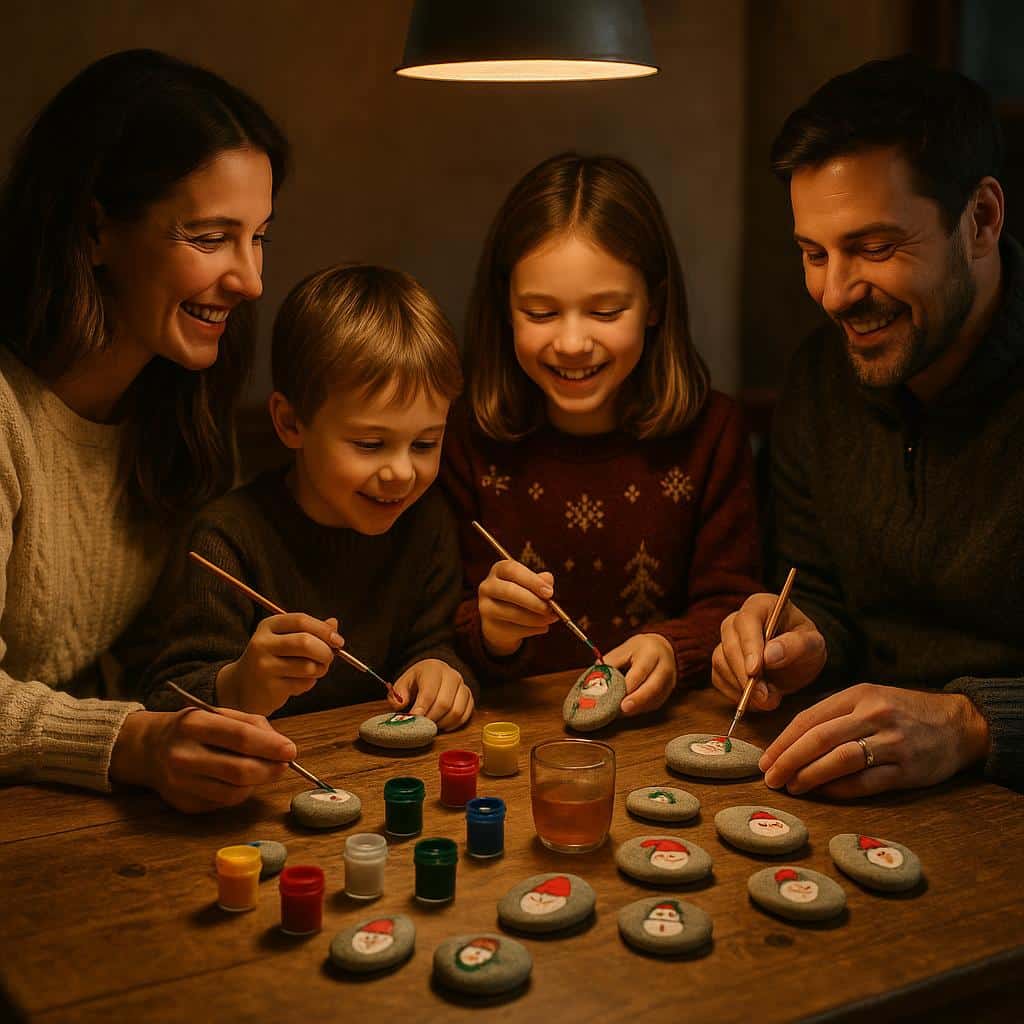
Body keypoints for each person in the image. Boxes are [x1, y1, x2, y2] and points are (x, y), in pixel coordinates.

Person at [712, 56, 1024, 795]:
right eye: (812, 254)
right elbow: (821, 587)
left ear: (980, 219)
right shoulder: (823, 377)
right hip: (864, 793)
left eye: (875, 248)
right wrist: (800, 637)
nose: (833, 294)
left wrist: (970, 724)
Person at [0, 49, 298, 811]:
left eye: (258, 235)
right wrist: (133, 743)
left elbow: (155, 656)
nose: (252, 279)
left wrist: (236, 683)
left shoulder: (182, 405)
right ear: (96, 230)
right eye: (208, 237)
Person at [442, 153, 760, 715]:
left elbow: (735, 606)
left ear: (655, 303)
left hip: (661, 732)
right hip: (512, 731)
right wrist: (491, 630)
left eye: (606, 311)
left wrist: (673, 647)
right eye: (540, 313)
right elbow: (439, 623)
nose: (571, 343)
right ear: (505, 309)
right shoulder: (461, 437)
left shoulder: (712, 433)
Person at [138, 264, 476, 730]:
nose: (401, 472)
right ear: (291, 423)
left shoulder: (428, 521)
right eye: (370, 444)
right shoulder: (227, 538)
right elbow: (166, 696)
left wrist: (441, 671)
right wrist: (241, 684)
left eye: (424, 444)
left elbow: (431, 644)